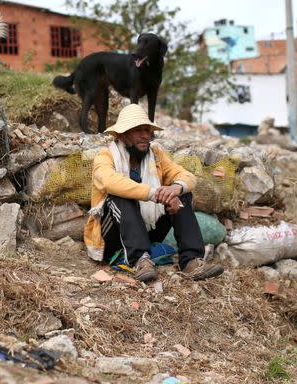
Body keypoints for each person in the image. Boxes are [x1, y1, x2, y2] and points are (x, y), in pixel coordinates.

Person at [84, 103, 224, 282]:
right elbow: (110, 182)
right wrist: (155, 193)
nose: (145, 135)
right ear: (122, 134)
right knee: (120, 195)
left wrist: (175, 189)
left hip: (146, 229)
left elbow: (187, 176)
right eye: (138, 130)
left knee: (181, 195)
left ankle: (190, 262)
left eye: (147, 130)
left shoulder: (155, 154)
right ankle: (139, 260)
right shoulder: (105, 156)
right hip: (114, 234)